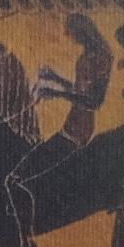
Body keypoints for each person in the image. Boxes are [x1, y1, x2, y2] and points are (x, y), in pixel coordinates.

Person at [9, 12, 112, 220]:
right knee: (31, 166)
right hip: (71, 126)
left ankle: (22, 214)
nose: (66, 34)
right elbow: (80, 90)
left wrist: (56, 93)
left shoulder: (102, 57)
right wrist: (54, 78)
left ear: (81, 31)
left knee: (30, 169)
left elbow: (94, 101)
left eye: (70, 30)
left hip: (79, 130)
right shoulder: (87, 55)